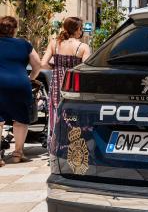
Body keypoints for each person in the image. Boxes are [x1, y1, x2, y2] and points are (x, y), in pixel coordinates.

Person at [0, 16, 42, 166]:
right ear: (14, 29)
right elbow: (37, 64)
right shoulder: (24, 44)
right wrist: (30, 78)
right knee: (21, 119)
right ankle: (18, 153)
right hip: (19, 83)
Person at [43, 17, 91, 149]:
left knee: (56, 111)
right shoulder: (83, 47)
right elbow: (85, 70)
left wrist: (56, 67)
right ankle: (73, 144)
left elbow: (43, 63)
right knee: (73, 113)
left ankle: (55, 145)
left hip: (57, 83)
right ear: (77, 29)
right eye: (81, 28)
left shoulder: (54, 44)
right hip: (73, 84)